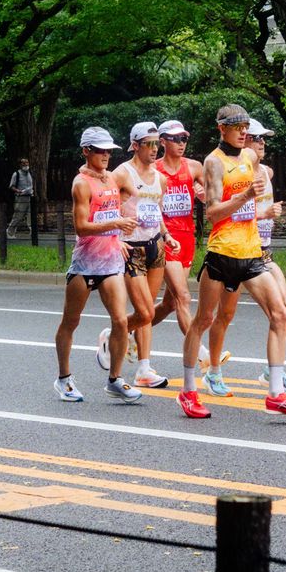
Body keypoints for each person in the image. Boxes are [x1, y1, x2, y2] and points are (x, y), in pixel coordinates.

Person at [176, 105, 286, 420]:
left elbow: (264, 175)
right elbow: (212, 212)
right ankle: (188, 390)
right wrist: (246, 195)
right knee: (204, 320)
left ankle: (276, 392)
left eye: (246, 127)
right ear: (222, 128)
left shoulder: (249, 158)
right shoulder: (213, 162)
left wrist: (260, 200)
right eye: (237, 127)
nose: (243, 132)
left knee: (280, 313)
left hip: (251, 252)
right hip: (222, 252)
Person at [209, 119, 286, 396]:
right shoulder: (234, 172)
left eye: (264, 139)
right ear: (243, 141)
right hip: (235, 251)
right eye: (256, 138)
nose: (262, 144)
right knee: (224, 315)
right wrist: (264, 214)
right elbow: (227, 208)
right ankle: (213, 370)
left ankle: (273, 369)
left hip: (263, 252)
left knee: (283, 310)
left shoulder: (267, 172)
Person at [52, 127, 142, 404]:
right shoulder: (81, 183)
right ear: (86, 151)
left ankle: (115, 380)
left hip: (111, 261)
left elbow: (115, 210)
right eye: (100, 150)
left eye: (109, 151)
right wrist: (115, 225)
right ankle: (64, 378)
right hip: (85, 264)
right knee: (71, 321)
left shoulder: (112, 179)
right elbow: (81, 227)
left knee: (120, 321)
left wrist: (118, 239)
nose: (105, 155)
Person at [100, 122, 175, 389]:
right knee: (144, 313)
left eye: (157, 144)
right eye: (149, 144)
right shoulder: (122, 174)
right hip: (131, 249)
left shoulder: (160, 177)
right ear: (135, 145)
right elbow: (104, 204)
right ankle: (114, 335)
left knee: (148, 311)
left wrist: (166, 236)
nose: (155, 149)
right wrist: (115, 236)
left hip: (155, 245)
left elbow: (157, 212)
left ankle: (143, 369)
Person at [145, 119, 204, 373]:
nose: (182, 143)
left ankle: (124, 329)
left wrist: (204, 193)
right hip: (165, 238)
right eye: (176, 139)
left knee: (169, 304)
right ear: (163, 141)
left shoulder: (194, 167)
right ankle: (202, 354)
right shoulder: (154, 170)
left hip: (188, 238)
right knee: (183, 296)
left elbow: (209, 192)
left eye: (184, 139)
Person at [6, 157, 35, 235]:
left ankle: (33, 233)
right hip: (21, 197)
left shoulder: (30, 173)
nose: (25, 164)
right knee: (18, 215)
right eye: (23, 163)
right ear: (20, 165)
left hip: (30, 197)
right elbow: (11, 186)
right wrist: (18, 191)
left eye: (27, 162)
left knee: (30, 215)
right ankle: (10, 231)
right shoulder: (16, 174)